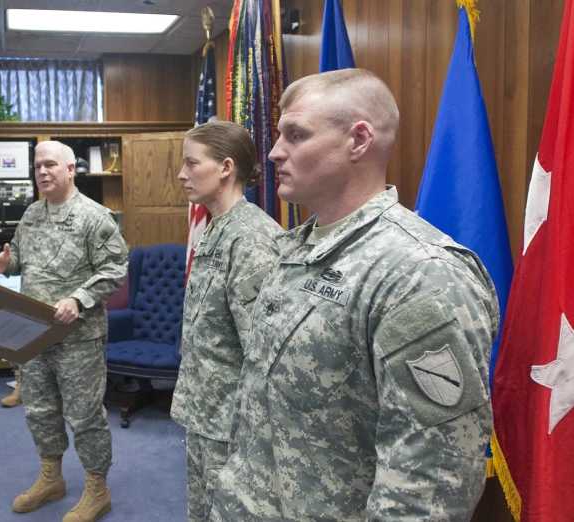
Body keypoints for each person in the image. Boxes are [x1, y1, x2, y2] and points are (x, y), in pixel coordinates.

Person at [210, 68, 499, 521]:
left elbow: (431, 481)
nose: (273, 152)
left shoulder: (417, 273)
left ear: (359, 140)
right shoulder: (293, 249)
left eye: (296, 134)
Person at [0, 141, 127, 522]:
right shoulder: (31, 214)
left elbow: (115, 269)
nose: (42, 172)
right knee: (40, 410)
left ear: (70, 169)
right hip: (34, 333)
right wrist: (6, 263)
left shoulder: (95, 217)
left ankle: (98, 490)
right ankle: (52, 478)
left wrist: (79, 299)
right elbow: (22, 258)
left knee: (84, 416)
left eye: (50, 165)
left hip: (78, 337)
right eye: (37, 166)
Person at [170, 121, 282, 522]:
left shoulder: (251, 240)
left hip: (234, 424)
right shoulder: (217, 228)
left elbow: (263, 351)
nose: (182, 174)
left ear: (225, 167)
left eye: (191, 163)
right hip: (206, 414)